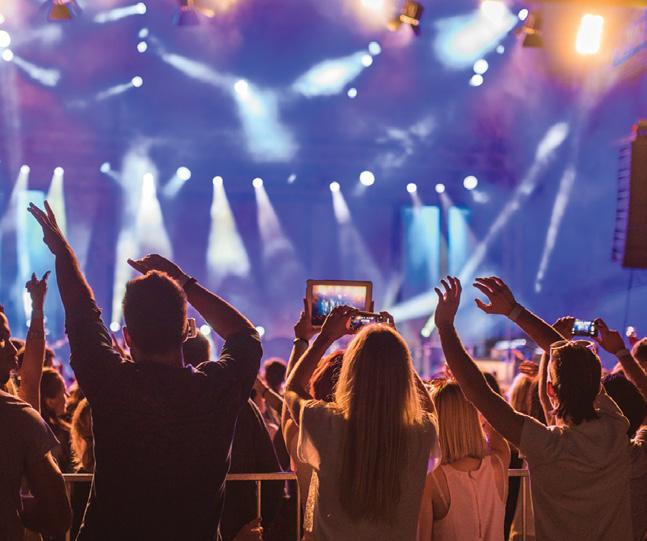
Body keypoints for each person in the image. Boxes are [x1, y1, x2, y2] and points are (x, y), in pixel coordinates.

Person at [29, 201, 262, 541]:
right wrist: (184, 283)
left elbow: (80, 311)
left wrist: (62, 251)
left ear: (127, 337)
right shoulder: (215, 390)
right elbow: (245, 335)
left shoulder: (111, 382)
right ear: (185, 331)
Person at [433, 276, 632, 541]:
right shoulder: (615, 426)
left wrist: (445, 326)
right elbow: (569, 359)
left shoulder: (547, 445)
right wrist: (514, 310)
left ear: (550, 391)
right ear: (597, 385)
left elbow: (478, 392)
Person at [285, 305, 438, 541]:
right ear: (403, 375)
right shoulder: (421, 432)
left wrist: (325, 337)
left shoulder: (327, 423)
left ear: (351, 370)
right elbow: (429, 409)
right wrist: (398, 352)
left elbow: (293, 389)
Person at [0, 306, 71, 540]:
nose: (13, 350)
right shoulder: (18, 418)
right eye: (1, 340)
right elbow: (58, 515)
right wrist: (12, 508)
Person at [418, 380, 509, 541]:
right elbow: (493, 419)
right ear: (474, 418)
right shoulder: (498, 464)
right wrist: (466, 383)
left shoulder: (432, 480)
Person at [40, 367, 73, 473]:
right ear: (50, 401)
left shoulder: (34, 428)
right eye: (63, 392)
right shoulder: (60, 436)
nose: (67, 396)